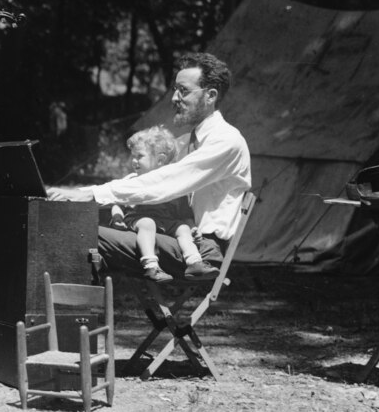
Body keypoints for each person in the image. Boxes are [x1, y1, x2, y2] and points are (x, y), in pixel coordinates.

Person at [49, 52, 251, 281]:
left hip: (201, 251)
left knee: (82, 233)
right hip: (175, 235)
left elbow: (166, 182)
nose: (174, 98)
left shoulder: (226, 141)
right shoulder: (185, 142)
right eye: (175, 89)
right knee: (82, 227)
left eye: (183, 90)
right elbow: (142, 180)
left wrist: (91, 195)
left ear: (210, 96)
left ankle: (70, 309)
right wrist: (85, 193)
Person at [108, 125, 202, 283]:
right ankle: (151, 265)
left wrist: (192, 227)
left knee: (183, 228)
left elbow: (184, 212)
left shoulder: (173, 184)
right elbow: (116, 202)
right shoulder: (132, 180)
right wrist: (117, 217)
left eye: (140, 156)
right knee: (148, 223)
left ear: (160, 160)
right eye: (133, 156)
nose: (134, 161)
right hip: (137, 220)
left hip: (165, 222)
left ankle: (194, 262)